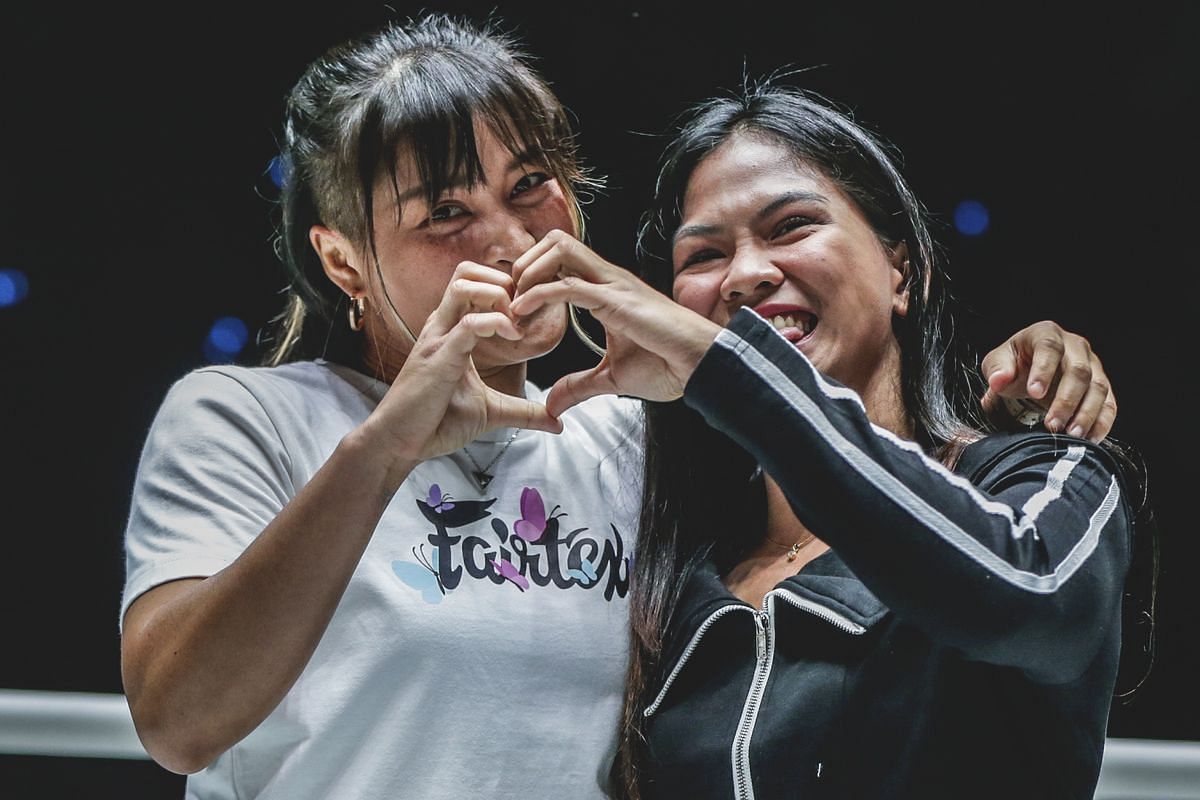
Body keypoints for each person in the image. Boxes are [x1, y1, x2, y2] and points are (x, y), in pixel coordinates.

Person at [118, 14, 1121, 800]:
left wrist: (1038, 359)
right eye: (446, 214)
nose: (510, 241)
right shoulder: (246, 416)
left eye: (531, 186)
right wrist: (384, 447)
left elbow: (838, 419)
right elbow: (178, 722)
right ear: (341, 256)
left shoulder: (640, 433)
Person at [508, 81, 1142, 799]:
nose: (746, 274)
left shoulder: (1046, 477)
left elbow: (1025, 600)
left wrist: (727, 367)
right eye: (703, 256)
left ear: (904, 268)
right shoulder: (673, 562)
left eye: (791, 226)